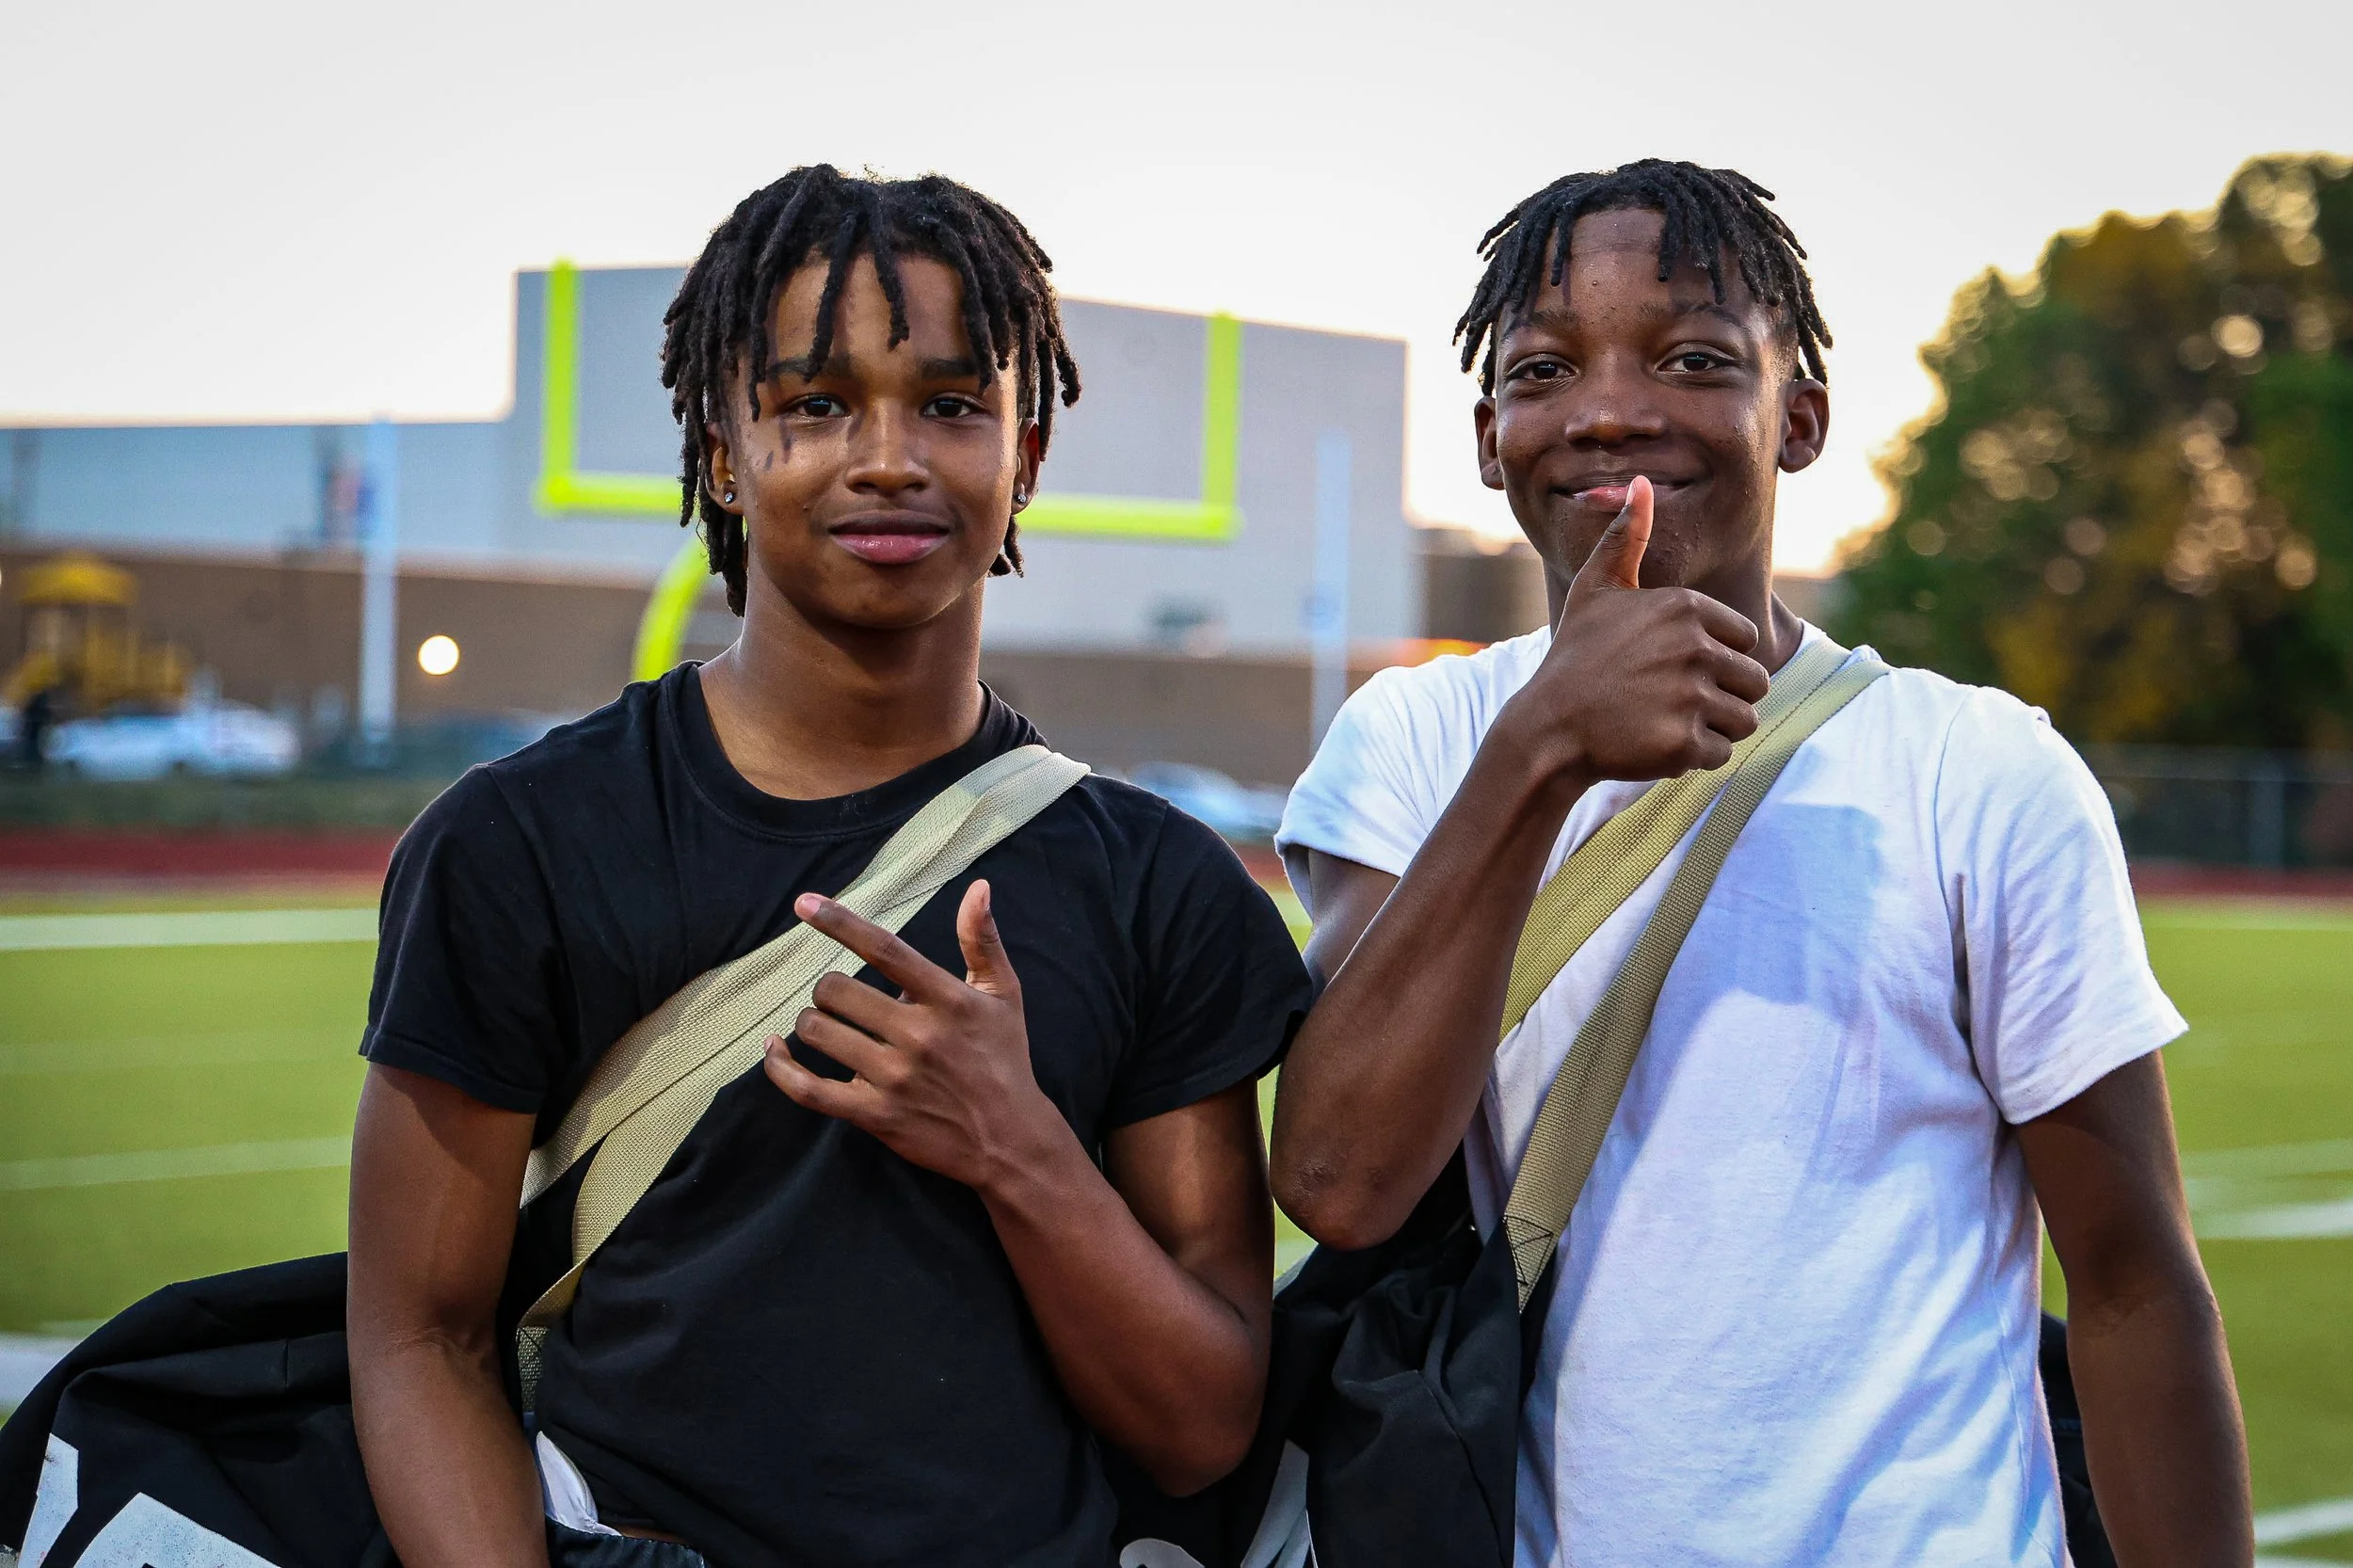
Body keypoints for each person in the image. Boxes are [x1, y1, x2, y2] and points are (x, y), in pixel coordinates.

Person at [1270, 160, 2251, 1566]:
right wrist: (1542, 746)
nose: (1610, 408)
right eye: (1545, 368)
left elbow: (2135, 1281)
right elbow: (1337, 1177)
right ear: (1491, 439)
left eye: (1693, 358)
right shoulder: (1419, 740)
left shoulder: (1975, 771)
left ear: (1800, 417)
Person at [346, 166, 1308, 1568]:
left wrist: (1018, 1145)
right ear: (723, 453)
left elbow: (1201, 1425)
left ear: (1026, 456)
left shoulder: (1162, 886)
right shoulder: (518, 843)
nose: (888, 457)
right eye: (815, 403)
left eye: (952, 404)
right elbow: (420, 1336)